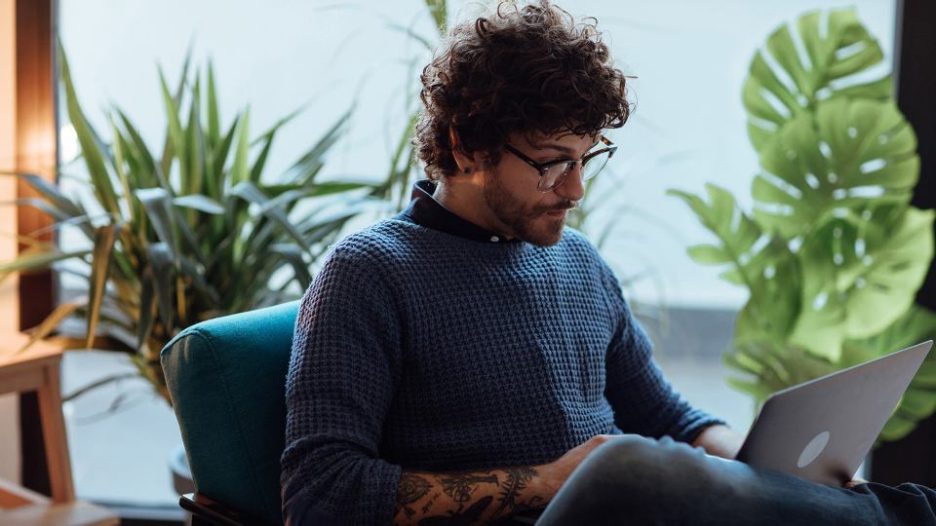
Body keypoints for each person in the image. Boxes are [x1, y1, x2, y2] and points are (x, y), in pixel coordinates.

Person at [280, 2, 936, 524]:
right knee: (625, 468)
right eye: (549, 163)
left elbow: (671, 420)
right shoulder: (369, 272)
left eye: (585, 158)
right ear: (466, 143)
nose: (574, 190)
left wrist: (781, 478)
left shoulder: (580, 264)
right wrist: (548, 483)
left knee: (642, 466)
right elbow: (319, 495)